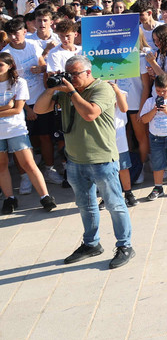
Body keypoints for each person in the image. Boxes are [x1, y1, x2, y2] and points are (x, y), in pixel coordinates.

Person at [33, 55, 135, 269]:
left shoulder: (102, 89)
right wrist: (52, 89)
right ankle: (91, 244)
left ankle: (125, 246)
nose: (70, 78)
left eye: (75, 74)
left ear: (88, 73)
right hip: (75, 160)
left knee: (115, 204)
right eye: (67, 74)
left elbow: (90, 114)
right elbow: (39, 110)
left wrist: (70, 92)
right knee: (86, 205)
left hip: (102, 160)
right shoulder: (66, 92)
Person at [0, 52, 56, 213]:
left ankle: (45, 196)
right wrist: (6, 107)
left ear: (10, 66)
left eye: (1, 65)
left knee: (29, 164)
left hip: (16, 129)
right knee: (1, 166)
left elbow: (18, 109)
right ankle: (9, 198)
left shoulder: (19, 82)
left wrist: (11, 108)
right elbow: (12, 108)